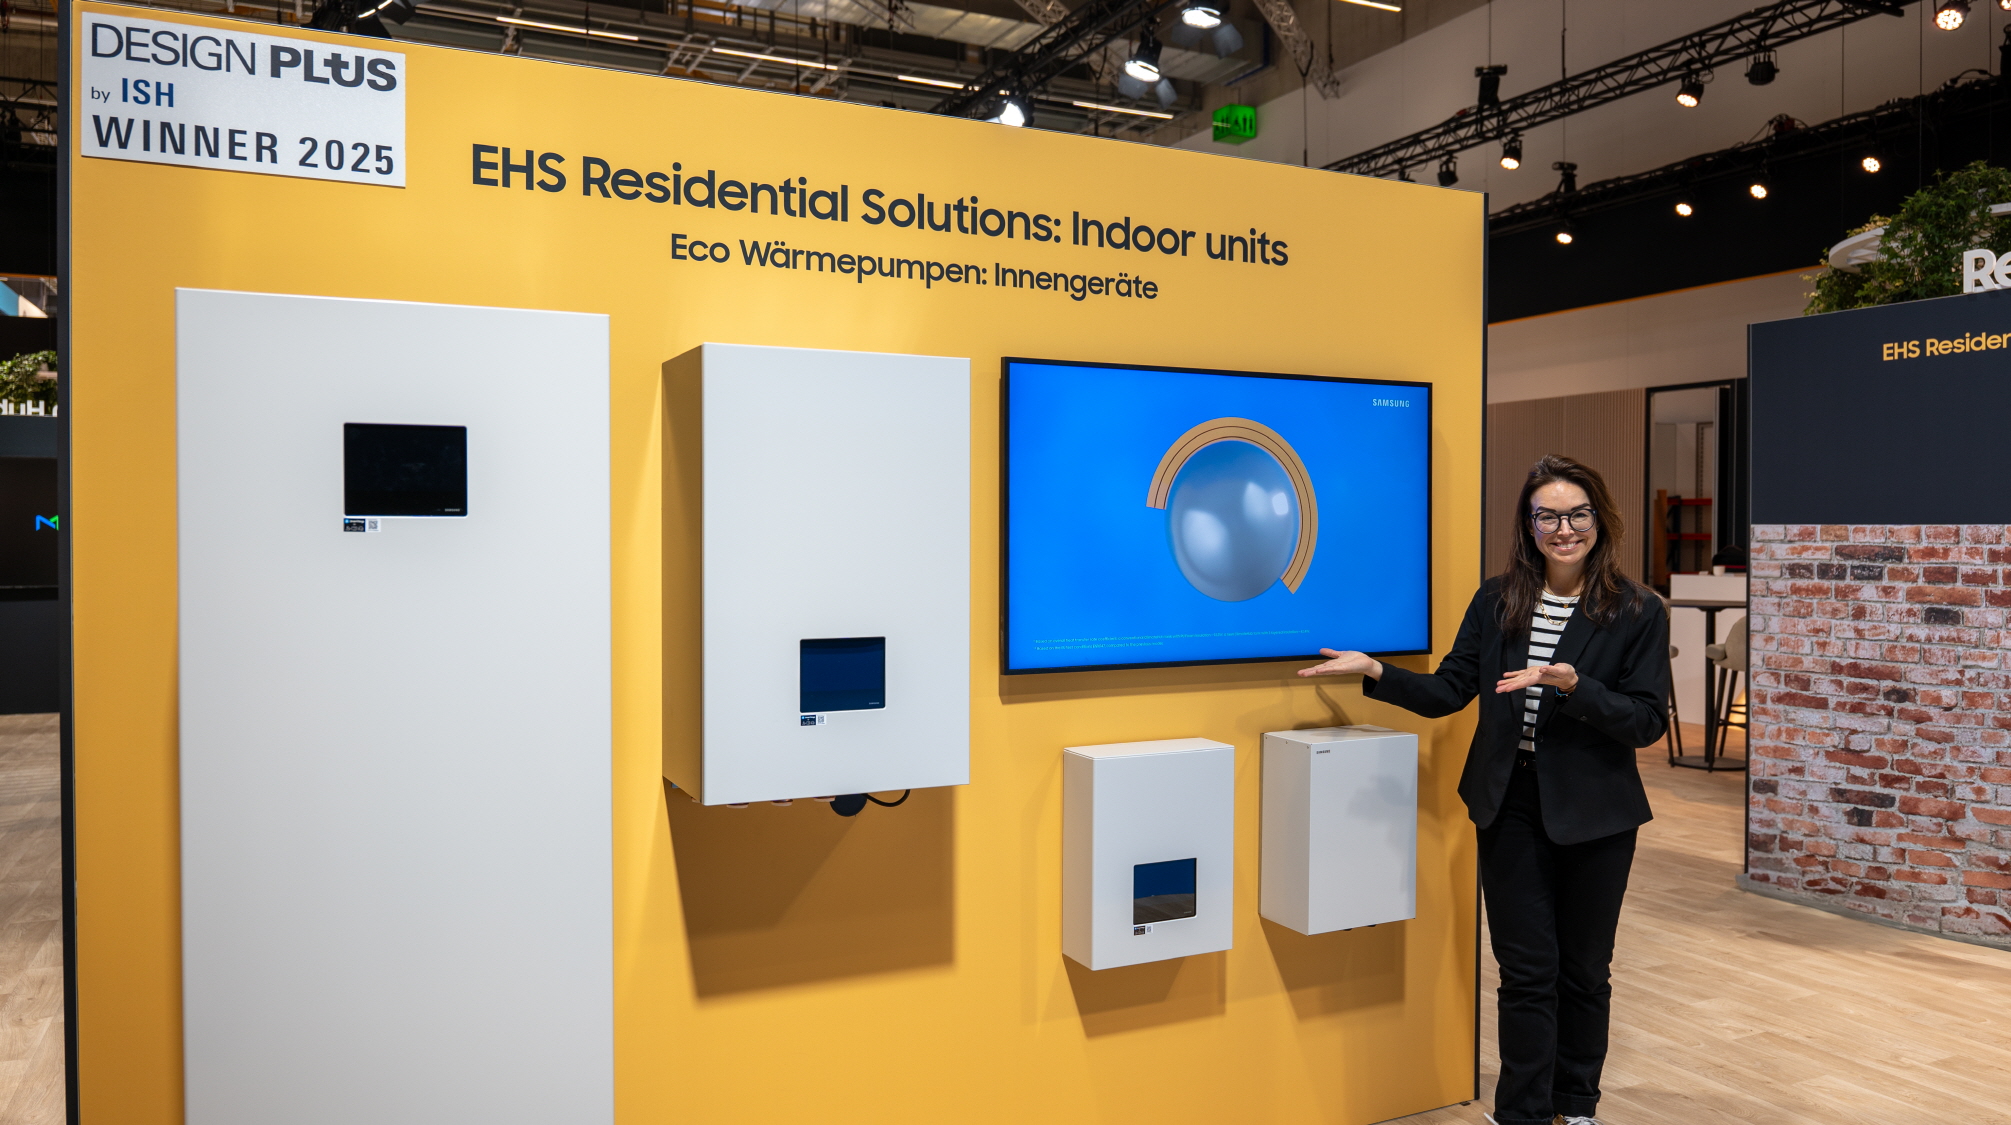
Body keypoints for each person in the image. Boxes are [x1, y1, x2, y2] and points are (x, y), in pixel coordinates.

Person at [1299, 454, 1668, 1125]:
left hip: (1596, 813)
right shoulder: (1497, 599)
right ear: (1528, 525)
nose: (1564, 529)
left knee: (1585, 971)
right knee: (1525, 971)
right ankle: (1521, 1114)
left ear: (1600, 519)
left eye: (1577, 514)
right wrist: (1376, 671)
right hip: (1509, 804)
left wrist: (1573, 686)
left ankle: (1575, 1106)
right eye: (1548, 516)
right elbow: (1448, 690)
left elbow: (1645, 722)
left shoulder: (1637, 609)